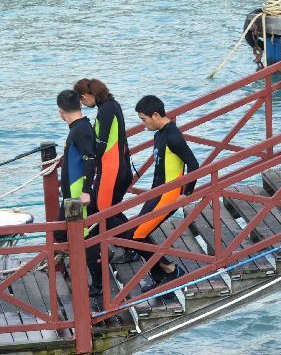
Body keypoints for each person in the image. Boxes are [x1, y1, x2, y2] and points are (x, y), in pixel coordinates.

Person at [111, 95, 197, 287]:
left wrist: (185, 194)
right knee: (137, 232)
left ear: (156, 115)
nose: (143, 124)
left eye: (144, 119)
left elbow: (194, 165)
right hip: (156, 193)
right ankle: (160, 277)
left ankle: (171, 269)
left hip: (169, 195)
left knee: (137, 236)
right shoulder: (159, 134)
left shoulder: (173, 136)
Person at [56, 89, 104, 300]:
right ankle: (85, 267)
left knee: (83, 237)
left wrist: (86, 191)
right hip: (71, 193)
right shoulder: (78, 127)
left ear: (60, 111)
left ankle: (98, 284)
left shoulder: (81, 130)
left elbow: (90, 159)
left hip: (77, 195)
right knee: (61, 233)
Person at [73, 79, 132, 213]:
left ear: (84, 96)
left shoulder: (106, 109)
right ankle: (125, 233)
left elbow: (102, 144)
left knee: (102, 212)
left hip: (111, 170)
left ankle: (129, 234)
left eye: (82, 102)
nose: (84, 105)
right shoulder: (112, 105)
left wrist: (89, 158)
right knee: (106, 211)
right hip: (120, 168)